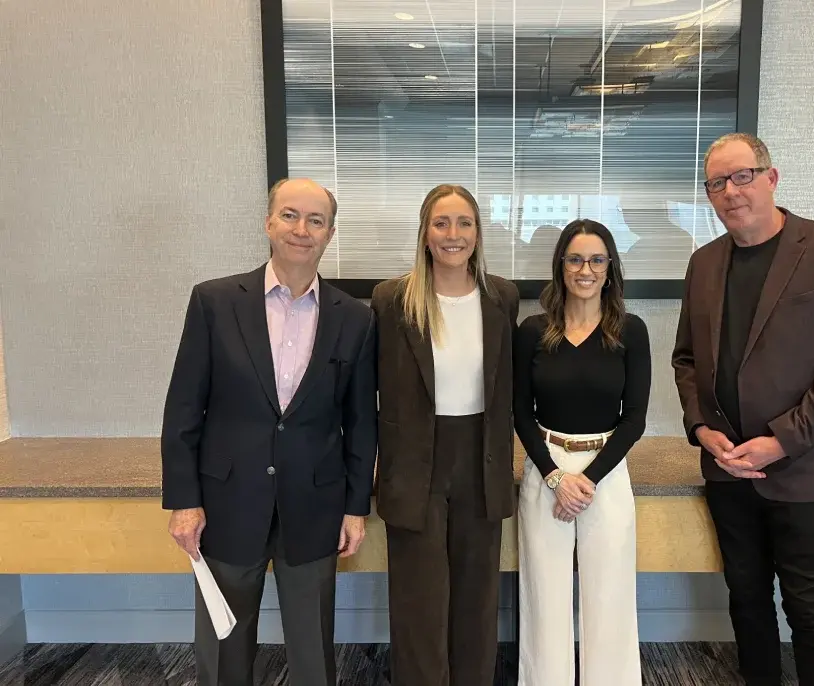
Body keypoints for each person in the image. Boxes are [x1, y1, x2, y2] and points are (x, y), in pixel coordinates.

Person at [671, 132, 814, 686]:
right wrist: (700, 429)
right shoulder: (704, 263)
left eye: (741, 176)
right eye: (717, 183)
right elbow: (686, 359)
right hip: (728, 467)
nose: (731, 192)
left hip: (805, 469)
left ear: (771, 177)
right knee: (747, 602)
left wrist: (783, 439)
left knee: (809, 609)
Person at [161, 178, 378, 686]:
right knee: (223, 645)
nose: (301, 229)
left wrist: (355, 506)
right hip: (227, 502)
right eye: (289, 215)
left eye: (315, 220)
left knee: (313, 650)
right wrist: (184, 501)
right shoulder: (214, 302)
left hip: (315, 505)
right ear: (268, 222)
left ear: (328, 234)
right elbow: (183, 409)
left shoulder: (356, 320)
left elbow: (361, 423)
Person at [370, 184, 520, 686]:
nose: (453, 235)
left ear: (478, 233)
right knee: (420, 606)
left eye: (464, 223)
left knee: (477, 605)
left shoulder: (502, 296)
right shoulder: (392, 300)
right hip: (415, 467)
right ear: (425, 233)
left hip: (481, 462)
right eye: (441, 223)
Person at [513, 219, 651, 686]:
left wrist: (587, 479)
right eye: (575, 259)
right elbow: (519, 413)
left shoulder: (631, 331)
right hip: (546, 470)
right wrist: (555, 476)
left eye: (596, 259)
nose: (585, 269)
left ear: (610, 269)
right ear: (561, 267)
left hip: (605, 473)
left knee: (608, 594)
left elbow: (635, 418)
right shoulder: (532, 331)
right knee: (544, 596)